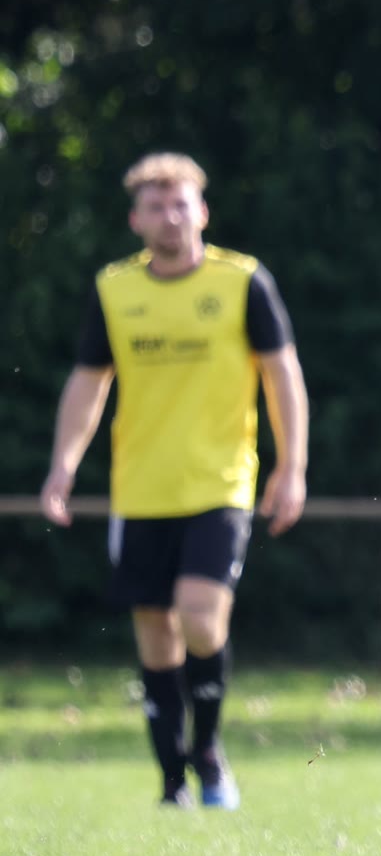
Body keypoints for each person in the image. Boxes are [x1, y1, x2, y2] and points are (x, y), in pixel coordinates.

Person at [40, 152, 309, 809]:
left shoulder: (242, 281)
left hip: (220, 482)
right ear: (136, 219)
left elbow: (282, 374)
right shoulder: (115, 290)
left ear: (203, 212)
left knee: (198, 614)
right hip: (141, 489)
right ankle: (171, 779)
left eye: (181, 204)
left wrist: (292, 465)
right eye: (156, 206)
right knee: (156, 630)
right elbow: (88, 382)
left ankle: (209, 753)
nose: (170, 216)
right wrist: (63, 465)